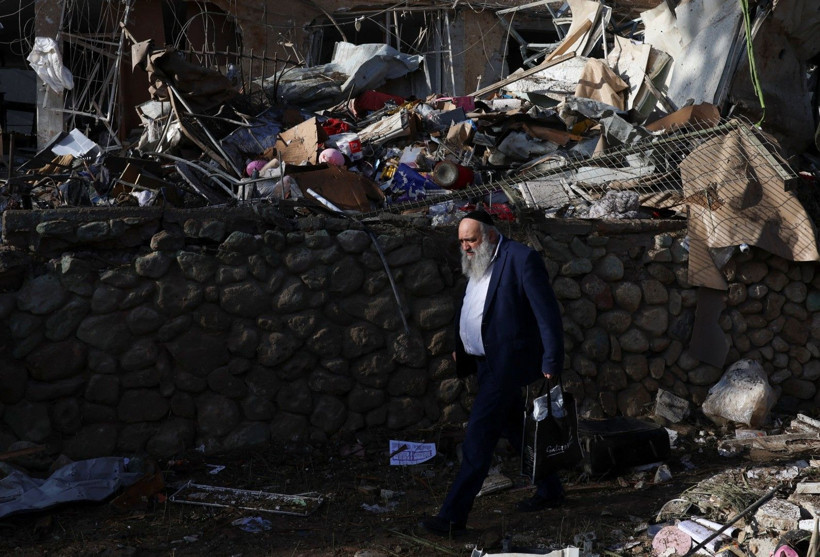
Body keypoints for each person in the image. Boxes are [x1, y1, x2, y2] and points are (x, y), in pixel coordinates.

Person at [420, 209, 566, 537]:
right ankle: (551, 488)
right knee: (516, 429)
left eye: (470, 239)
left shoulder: (521, 259)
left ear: (489, 234)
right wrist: (463, 343)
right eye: (461, 241)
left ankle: (452, 517)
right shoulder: (478, 261)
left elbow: (547, 314)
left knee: (478, 439)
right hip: (483, 364)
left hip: (506, 364)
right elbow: (472, 307)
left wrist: (551, 361)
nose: (466, 247)